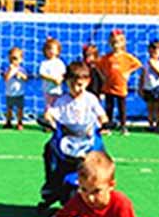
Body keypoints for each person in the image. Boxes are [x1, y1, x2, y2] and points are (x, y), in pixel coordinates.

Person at [41, 61, 109, 201]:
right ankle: (51, 183)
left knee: (102, 157)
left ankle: (104, 183)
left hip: (87, 137)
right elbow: (51, 113)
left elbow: (102, 115)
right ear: (67, 82)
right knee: (49, 149)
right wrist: (49, 121)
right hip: (67, 138)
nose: (77, 88)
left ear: (88, 82)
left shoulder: (90, 99)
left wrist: (104, 123)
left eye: (80, 85)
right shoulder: (62, 101)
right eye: (72, 85)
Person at [46, 150, 142, 217]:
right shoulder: (79, 200)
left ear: (111, 185)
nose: (90, 198)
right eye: (84, 189)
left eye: (96, 191)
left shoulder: (121, 203)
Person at [97, 29, 142, 135]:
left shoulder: (127, 57)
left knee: (122, 108)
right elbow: (98, 66)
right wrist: (103, 76)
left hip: (121, 87)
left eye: (117, 42)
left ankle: (123, 126)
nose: (115, 45)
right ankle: (107, 127)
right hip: (108, 86)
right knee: (109, 107)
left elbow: (137, 64)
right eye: (113, 42)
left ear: (122, 43)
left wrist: (128, 73)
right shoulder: (107, 57)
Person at [139, 40, 159, 132]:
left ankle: (158, 125)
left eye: (155, 52)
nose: (153, 54)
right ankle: (150, 124)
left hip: (158, 88)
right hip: (148, 88)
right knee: (150, 107)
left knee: (158, 107)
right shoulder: (145, 64)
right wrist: (140, 87)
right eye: (151, 51)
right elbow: (142, 76)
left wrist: (153, 65)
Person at [39, 37, 66, 110]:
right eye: (49, 49)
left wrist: (60, 79)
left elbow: (63, 73)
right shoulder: (44, 63)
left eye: (53, 49)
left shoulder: (60, 63)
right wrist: (53, 79)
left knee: (58, 106)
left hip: (58, 91)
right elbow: (42, 74)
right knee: (49, 107)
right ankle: (48, 119)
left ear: (58, 51)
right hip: (48, 90)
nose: (51, 51)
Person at [3, 47, 27, 130]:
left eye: (15, 58)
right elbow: (6, 78)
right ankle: (8, 122)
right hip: (9, 93)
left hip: (19, 93)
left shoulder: (22, 69)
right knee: (9, 108)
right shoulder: (7, 69)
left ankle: (19, 122)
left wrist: (19, 73)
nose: (13, 61)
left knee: (20, 109)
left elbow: (25, 78)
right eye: (11, 58)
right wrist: (11, 71)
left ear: (21, 59)